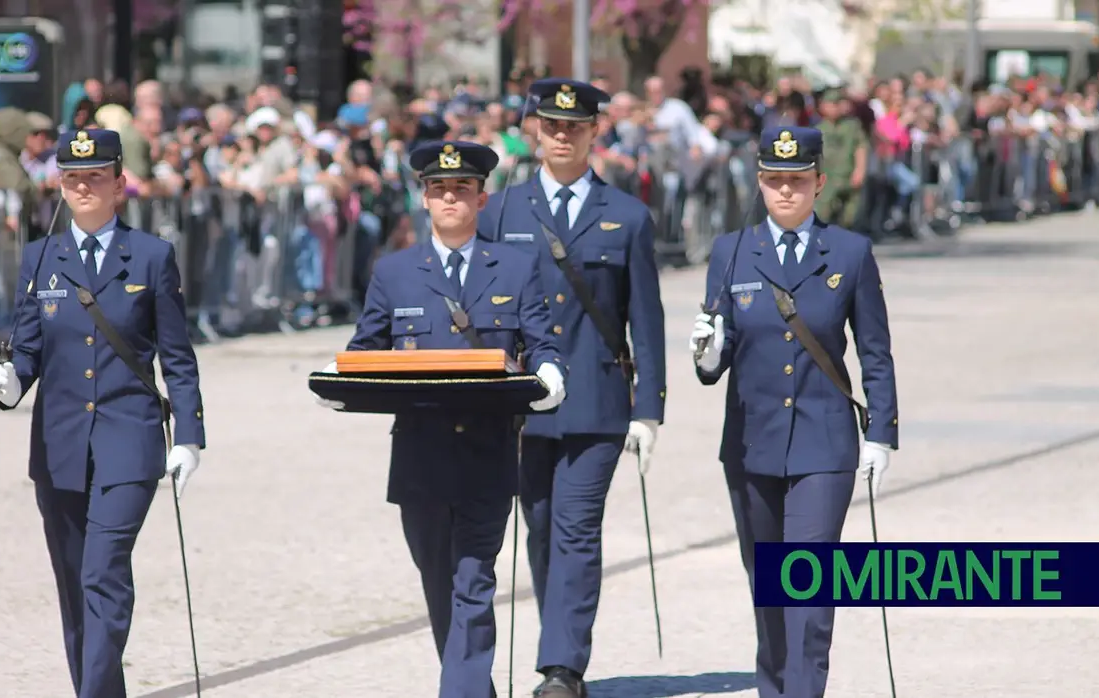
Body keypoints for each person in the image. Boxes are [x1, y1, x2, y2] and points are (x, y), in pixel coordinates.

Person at [312, 140, 566, 698]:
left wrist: (550, 374)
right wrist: (337, 377)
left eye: (461, 189)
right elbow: (366, 347)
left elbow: (541, 342)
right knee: (439, 586)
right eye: (439, 189)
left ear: (481, 196)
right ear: (424, 198)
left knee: (474, 585)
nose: (450, 198)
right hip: (420, 460)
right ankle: (473, 685)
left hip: (487, 454)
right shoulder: (395, 272)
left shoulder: (516, 267)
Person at [0, 128, 205, 698]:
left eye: (96, 176)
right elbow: (28, 350)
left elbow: (176, 357)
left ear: (119, 184)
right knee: (75, 586)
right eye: (73, 177)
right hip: (59, 445)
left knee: (104, 574)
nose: (84, 186)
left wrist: (190, 435)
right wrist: (7, 384)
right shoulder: (41, 258)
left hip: (129, 441)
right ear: (61, 183)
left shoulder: (152, 256)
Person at [689, 126, 899, 698]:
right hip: (753, 441)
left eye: (798, 181)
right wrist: (706, 355)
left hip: (824, 445)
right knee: (769, 586)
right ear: (760, 183)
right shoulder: (732, 251)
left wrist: (882, 431)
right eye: (775, 181)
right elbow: (716, 352)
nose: (786, 192)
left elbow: (875, 350)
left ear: (819, 183)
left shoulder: (850, 253)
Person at [478, 78, 667, 698]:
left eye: (574, 127)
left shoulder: (628, 215)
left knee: (577, 528)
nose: (562, 136)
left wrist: (649, 411)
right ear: (536, 130)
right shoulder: (503, 210)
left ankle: (563, 667)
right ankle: (557, 640)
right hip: (524, 404)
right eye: (551, 126)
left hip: (597, 398)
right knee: (538, 526)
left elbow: (647, 317)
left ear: (594, 132)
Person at [815, 89, 867, 228]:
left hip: (848, 174)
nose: (834, 107)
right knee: (822, 215)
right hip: (828, 178)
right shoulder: (818, 128)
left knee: (849, 217)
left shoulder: (852, 125)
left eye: (837, 103)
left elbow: (860, 147)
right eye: (831, 104)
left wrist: (859, 170)